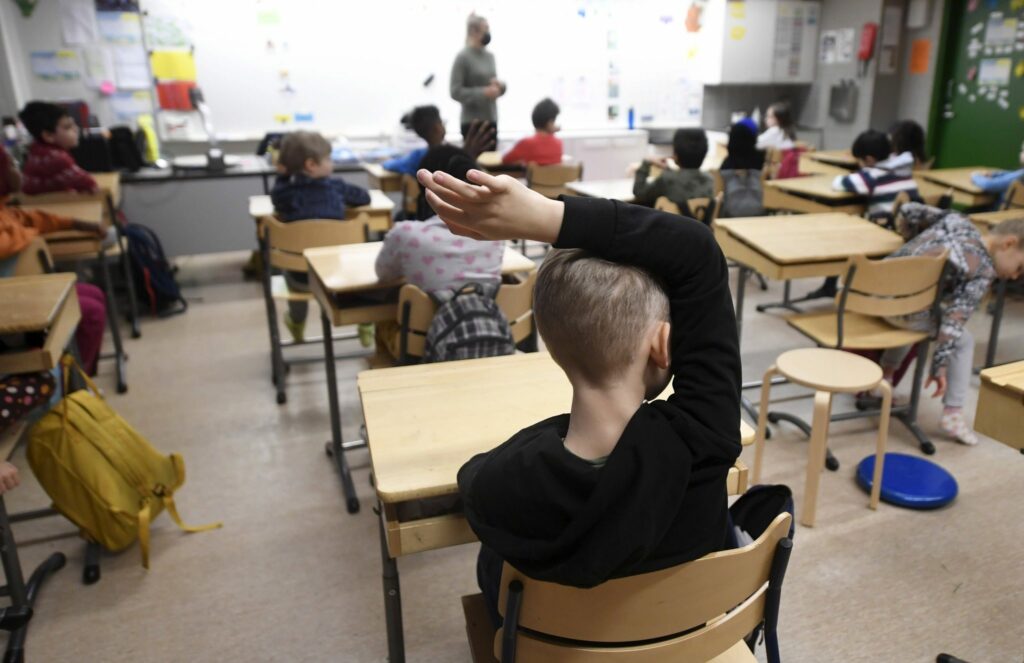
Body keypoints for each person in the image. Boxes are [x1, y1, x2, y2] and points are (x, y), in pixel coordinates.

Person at [415, 165, 740, 621]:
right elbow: (698, 251)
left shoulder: (501, 485)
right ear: (663, 345)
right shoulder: (704, 441)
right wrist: (548, 216)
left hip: (550, 649)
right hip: (685, 643)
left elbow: (473, 482)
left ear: (552, 345)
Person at [876, 204, 1024, 445]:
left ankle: (885, 378)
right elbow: (953, 324)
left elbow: (909, 209)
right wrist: (939, 368)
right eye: (1020, 267)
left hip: (872, 294)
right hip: (903, 311)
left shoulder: (957, 220)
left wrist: (911, 239)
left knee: (923, 314)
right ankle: (952, 413)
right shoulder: (982, 270)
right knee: (962, 339)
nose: (1016, 276)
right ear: (1008, 243)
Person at [373, 146, 504, 360]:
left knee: (383, 317)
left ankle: (387, 375)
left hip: (420, 344)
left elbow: (383, 275)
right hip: (488, 335)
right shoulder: (495, 233)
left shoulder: (406, 234)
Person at [0, 145, 107, 376]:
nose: (17, 170)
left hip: (23, 294)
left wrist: (80, 224)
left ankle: (80, 375)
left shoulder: (5, 210)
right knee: (91, 312)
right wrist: (31, 236)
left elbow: (35, 219)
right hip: (11, 312)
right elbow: (15, 235)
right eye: (11, 164)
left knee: (94, 294)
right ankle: (74, 378)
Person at [269, 131, 371, 343]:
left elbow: (275, 196)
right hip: (338, 277)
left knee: (295, 270)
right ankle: (365, 321)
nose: (331, 163)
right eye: (328, 159)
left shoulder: (284, 193)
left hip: (300, 279)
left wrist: (283, 176)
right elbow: (364, 197)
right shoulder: (336, 187)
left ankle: (296, 323)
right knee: (360, 271)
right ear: (311, 165)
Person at [807, 130, 920, 299]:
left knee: (843, 238)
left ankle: (830, 286)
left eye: (859, 161)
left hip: (887, 233)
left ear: (869, 159)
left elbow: (839, 183)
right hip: (910, 233)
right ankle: (831, 287)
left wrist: (857, 173)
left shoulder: (871, 177)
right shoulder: (903, 170)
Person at [450, 13, 505, 152]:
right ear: (473, 32)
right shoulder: (462, 57)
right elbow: (455, 91)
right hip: (472, 123)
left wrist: (500, 87)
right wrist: (483, 93)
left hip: (491, 118)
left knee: (491, 162)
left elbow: (494, 83)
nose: (488, 32)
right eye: (485, 29)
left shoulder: (490, 56)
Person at [17, 101, 98, 195]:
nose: (76, 129)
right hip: (51, 203)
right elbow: (89, 184)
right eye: (68, 127)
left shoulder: (35, 150)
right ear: (48, 136)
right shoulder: (56, 158)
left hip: (42, 201)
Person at [632, 128, 714, 215]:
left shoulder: (666, 179)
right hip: (698, 224)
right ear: (704, 153)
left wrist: (646, 162)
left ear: (675, 154)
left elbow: (639, 191)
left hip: (672, 224)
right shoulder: (709, 180)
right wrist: (668, 170)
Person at [381, 106, 447, 176]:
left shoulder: (417, 156)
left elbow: (390, 165)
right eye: (441, 122)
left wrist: (386, 160)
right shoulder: (451, 154)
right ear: (437, 127)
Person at [501, 98, 563, 166]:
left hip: (531, 173)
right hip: (554, 173)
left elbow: (505, 159)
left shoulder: (527, 142)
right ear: (550, 122)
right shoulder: (558, 143)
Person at [971, 139, 1024, 206]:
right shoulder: (1020, 173)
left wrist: (975, 176)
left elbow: (989, 185)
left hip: (999, 210)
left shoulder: (1020, 176)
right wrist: (994, 174)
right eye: (1022, 150)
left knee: (968, 210)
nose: (1021, 154)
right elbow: (1011, 174)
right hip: (1015, 210)